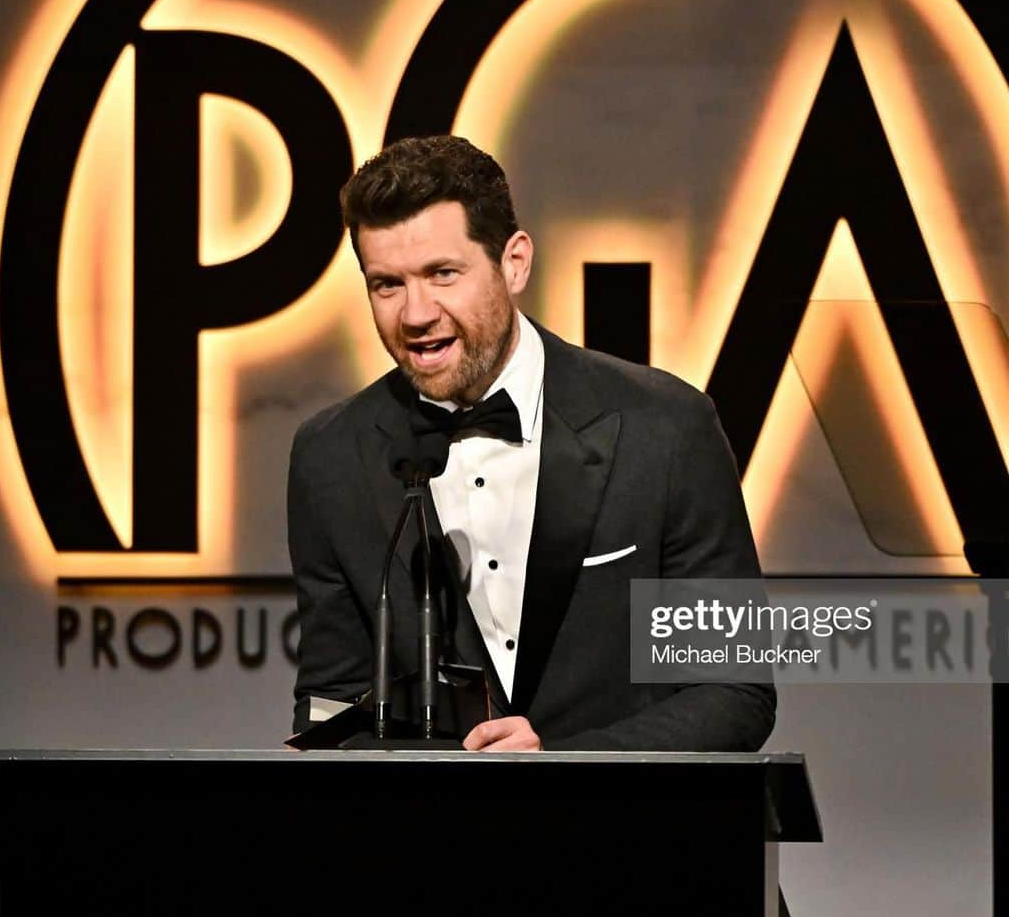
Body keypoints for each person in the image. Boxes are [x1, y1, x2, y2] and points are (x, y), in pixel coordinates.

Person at [287, 135, 775, 752]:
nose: (414, 313)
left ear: (513, 263)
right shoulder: (331, 455)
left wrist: (561, 767)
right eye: (386, 284)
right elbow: (335, 698)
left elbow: (735, 691)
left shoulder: (666, 427)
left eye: (443, 274)